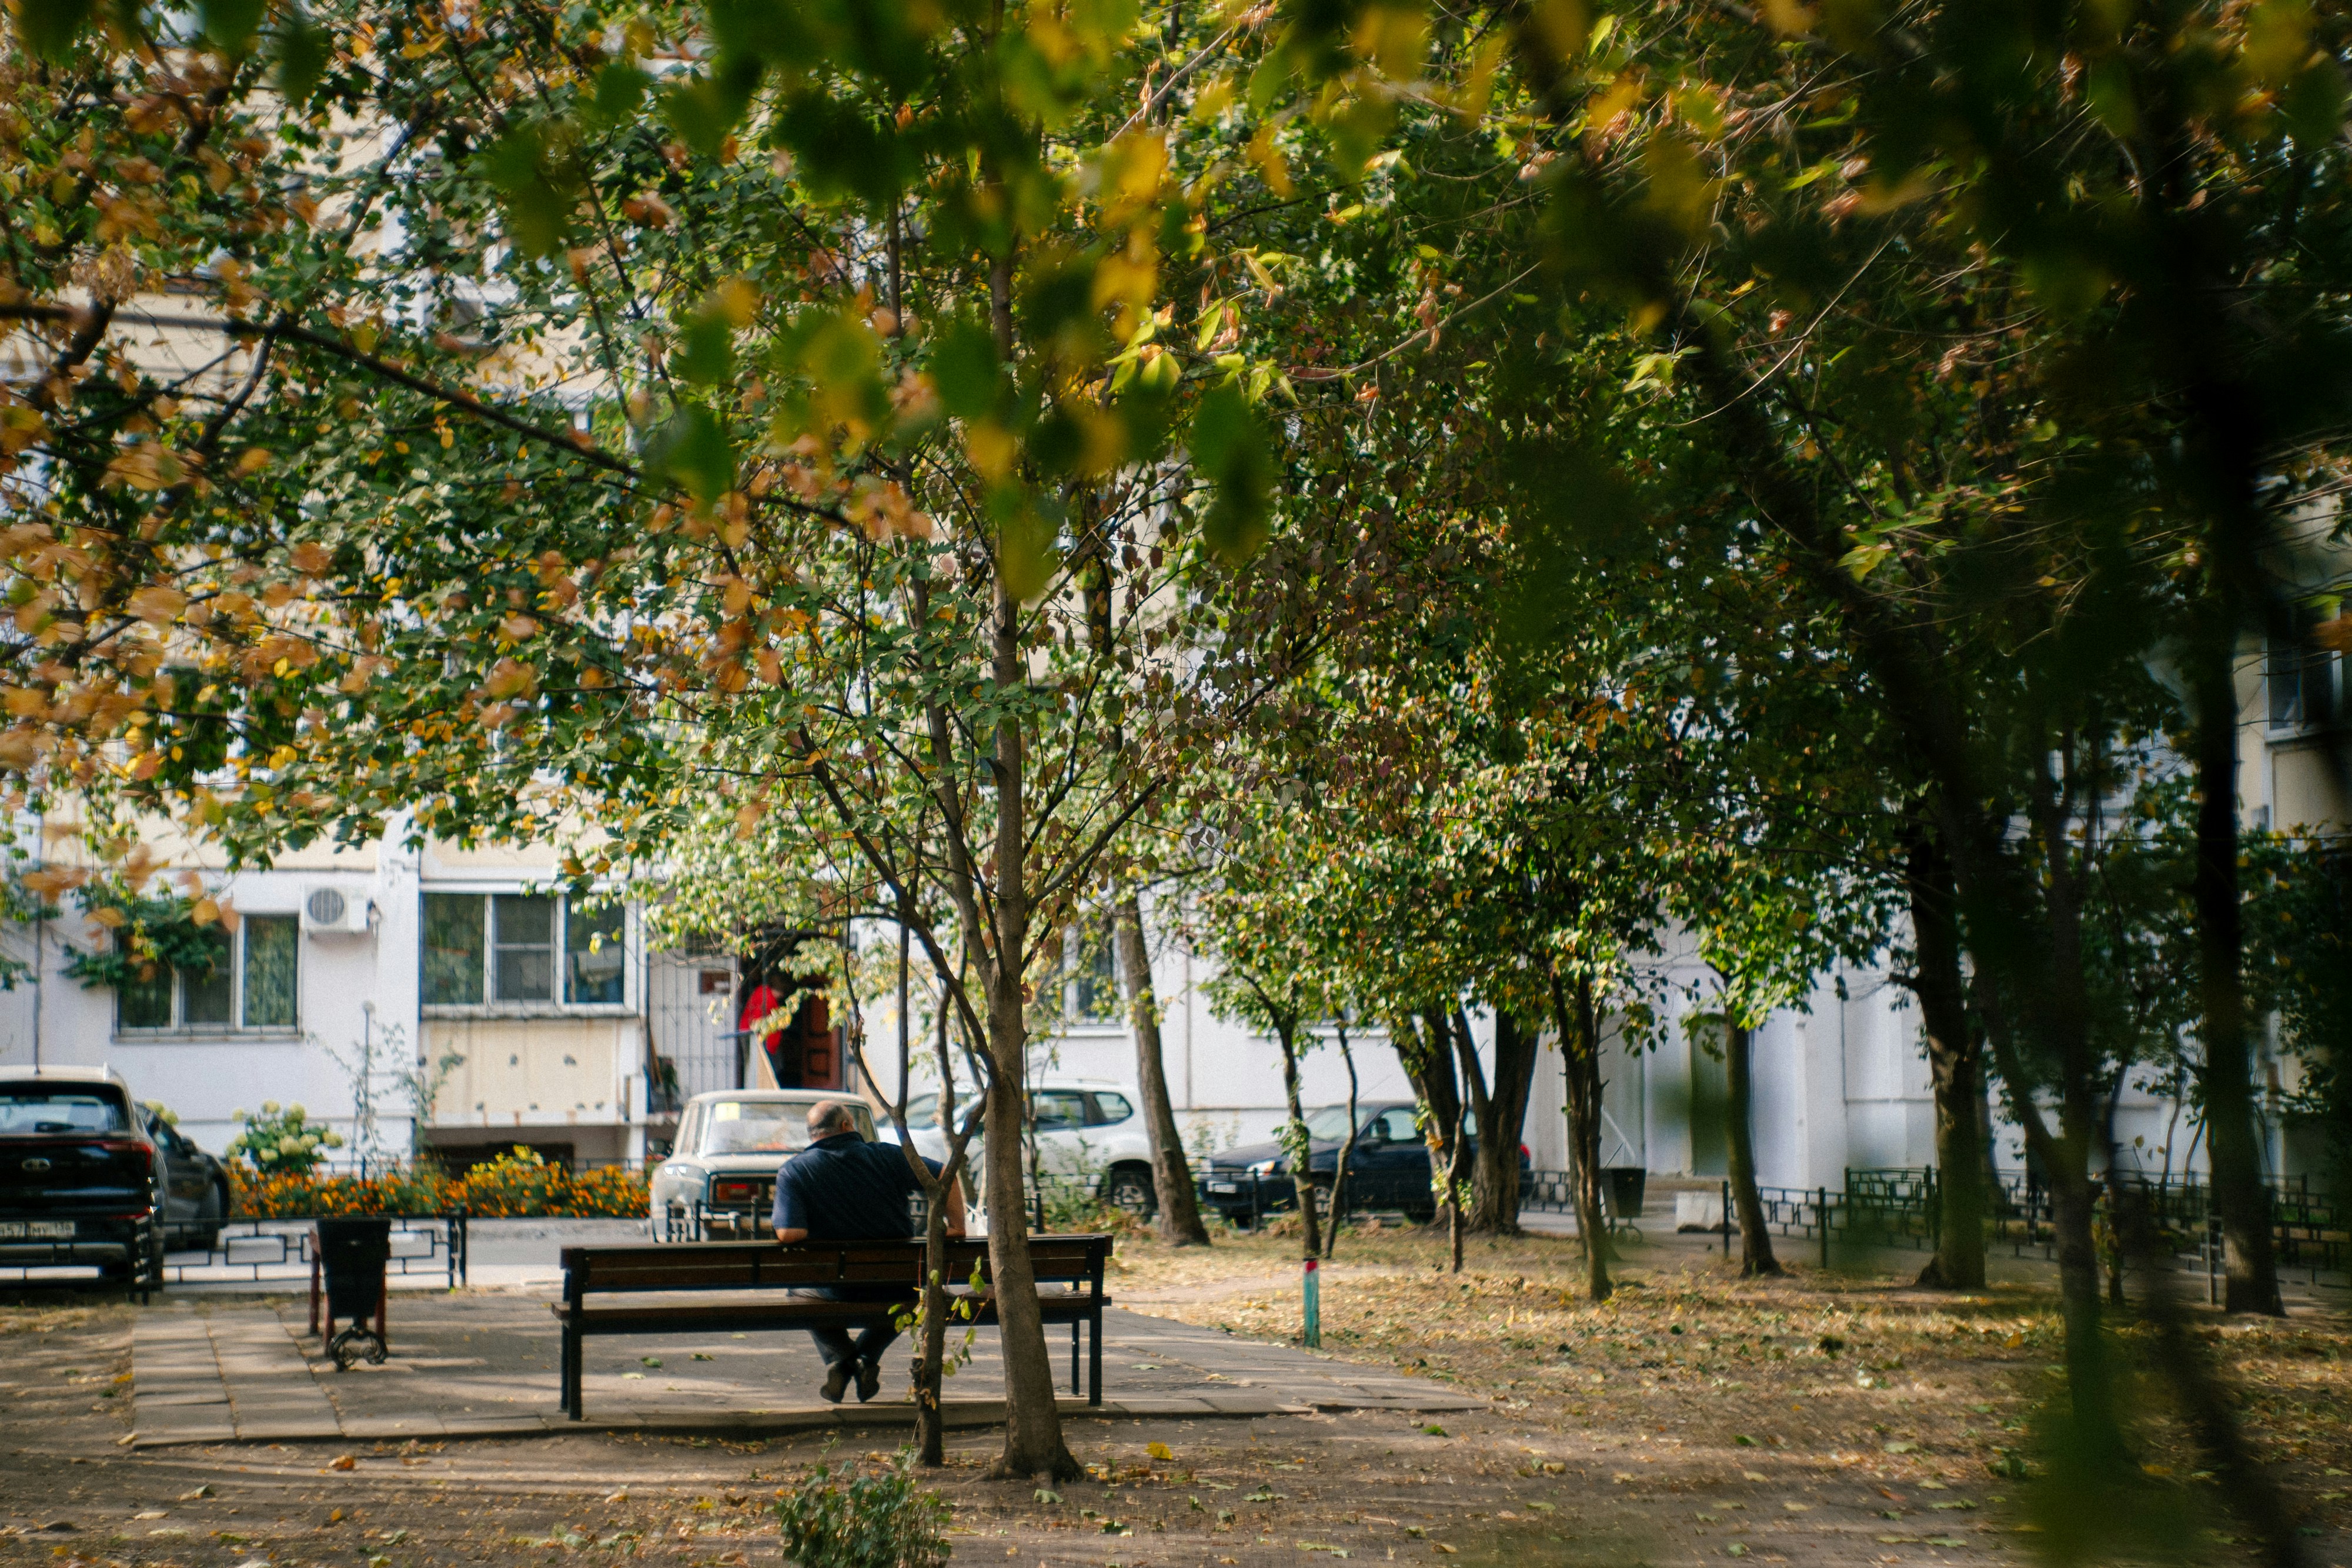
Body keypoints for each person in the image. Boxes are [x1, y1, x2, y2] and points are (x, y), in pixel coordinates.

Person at [772, 1099, 965, 1403]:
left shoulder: (795, 1171)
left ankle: (841, 1357)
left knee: (798, 1292)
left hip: (833, 1288)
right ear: (846, 1125)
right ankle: (865, 1357)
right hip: (895, 1283)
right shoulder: (889, 1156)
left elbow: (790, 1233)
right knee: (911, 1296)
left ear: (813, 1134)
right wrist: (956, 1225)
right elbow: (943, 1174)